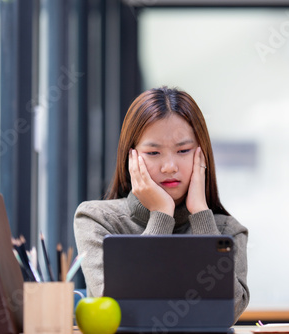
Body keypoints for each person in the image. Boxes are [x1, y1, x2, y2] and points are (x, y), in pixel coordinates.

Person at [73, 86, 249, 322]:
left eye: (183, 150)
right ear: (131, 158)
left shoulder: (226, 231)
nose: (169, 166)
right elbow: (119, 309)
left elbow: (230, 311)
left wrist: (201, 217)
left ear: (202, 155)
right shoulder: (96, 219)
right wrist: (161, 216)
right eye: (154, 153)